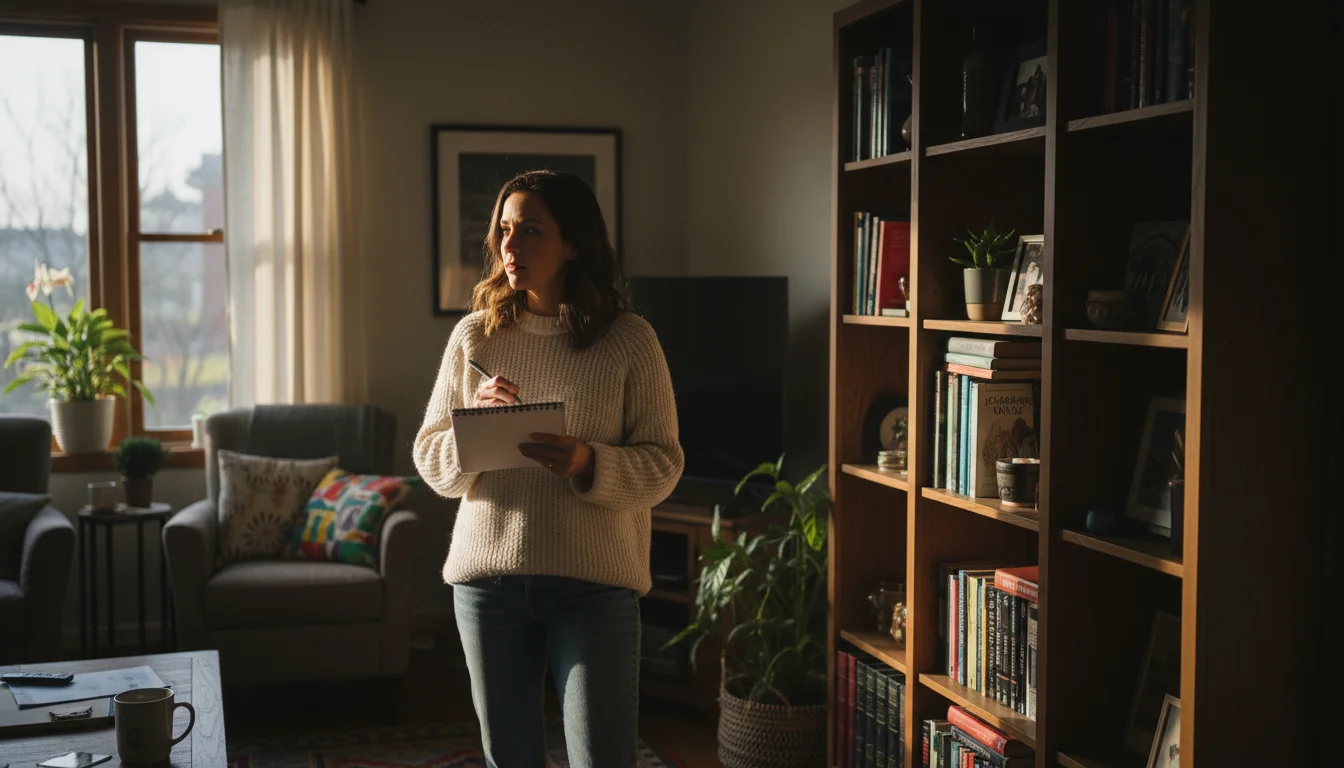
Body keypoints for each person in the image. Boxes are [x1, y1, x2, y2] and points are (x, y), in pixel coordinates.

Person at [413, 170, 684, 768]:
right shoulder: (473, 338)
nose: (510, 247)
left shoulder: (629, 340)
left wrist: (590, 460)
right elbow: (430, 458)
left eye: (531, 230)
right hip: (488, 586)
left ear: (574, 244)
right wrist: (472, 430)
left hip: (594, 585)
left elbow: (664, 464)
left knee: (603, 756)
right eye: (505, 231)